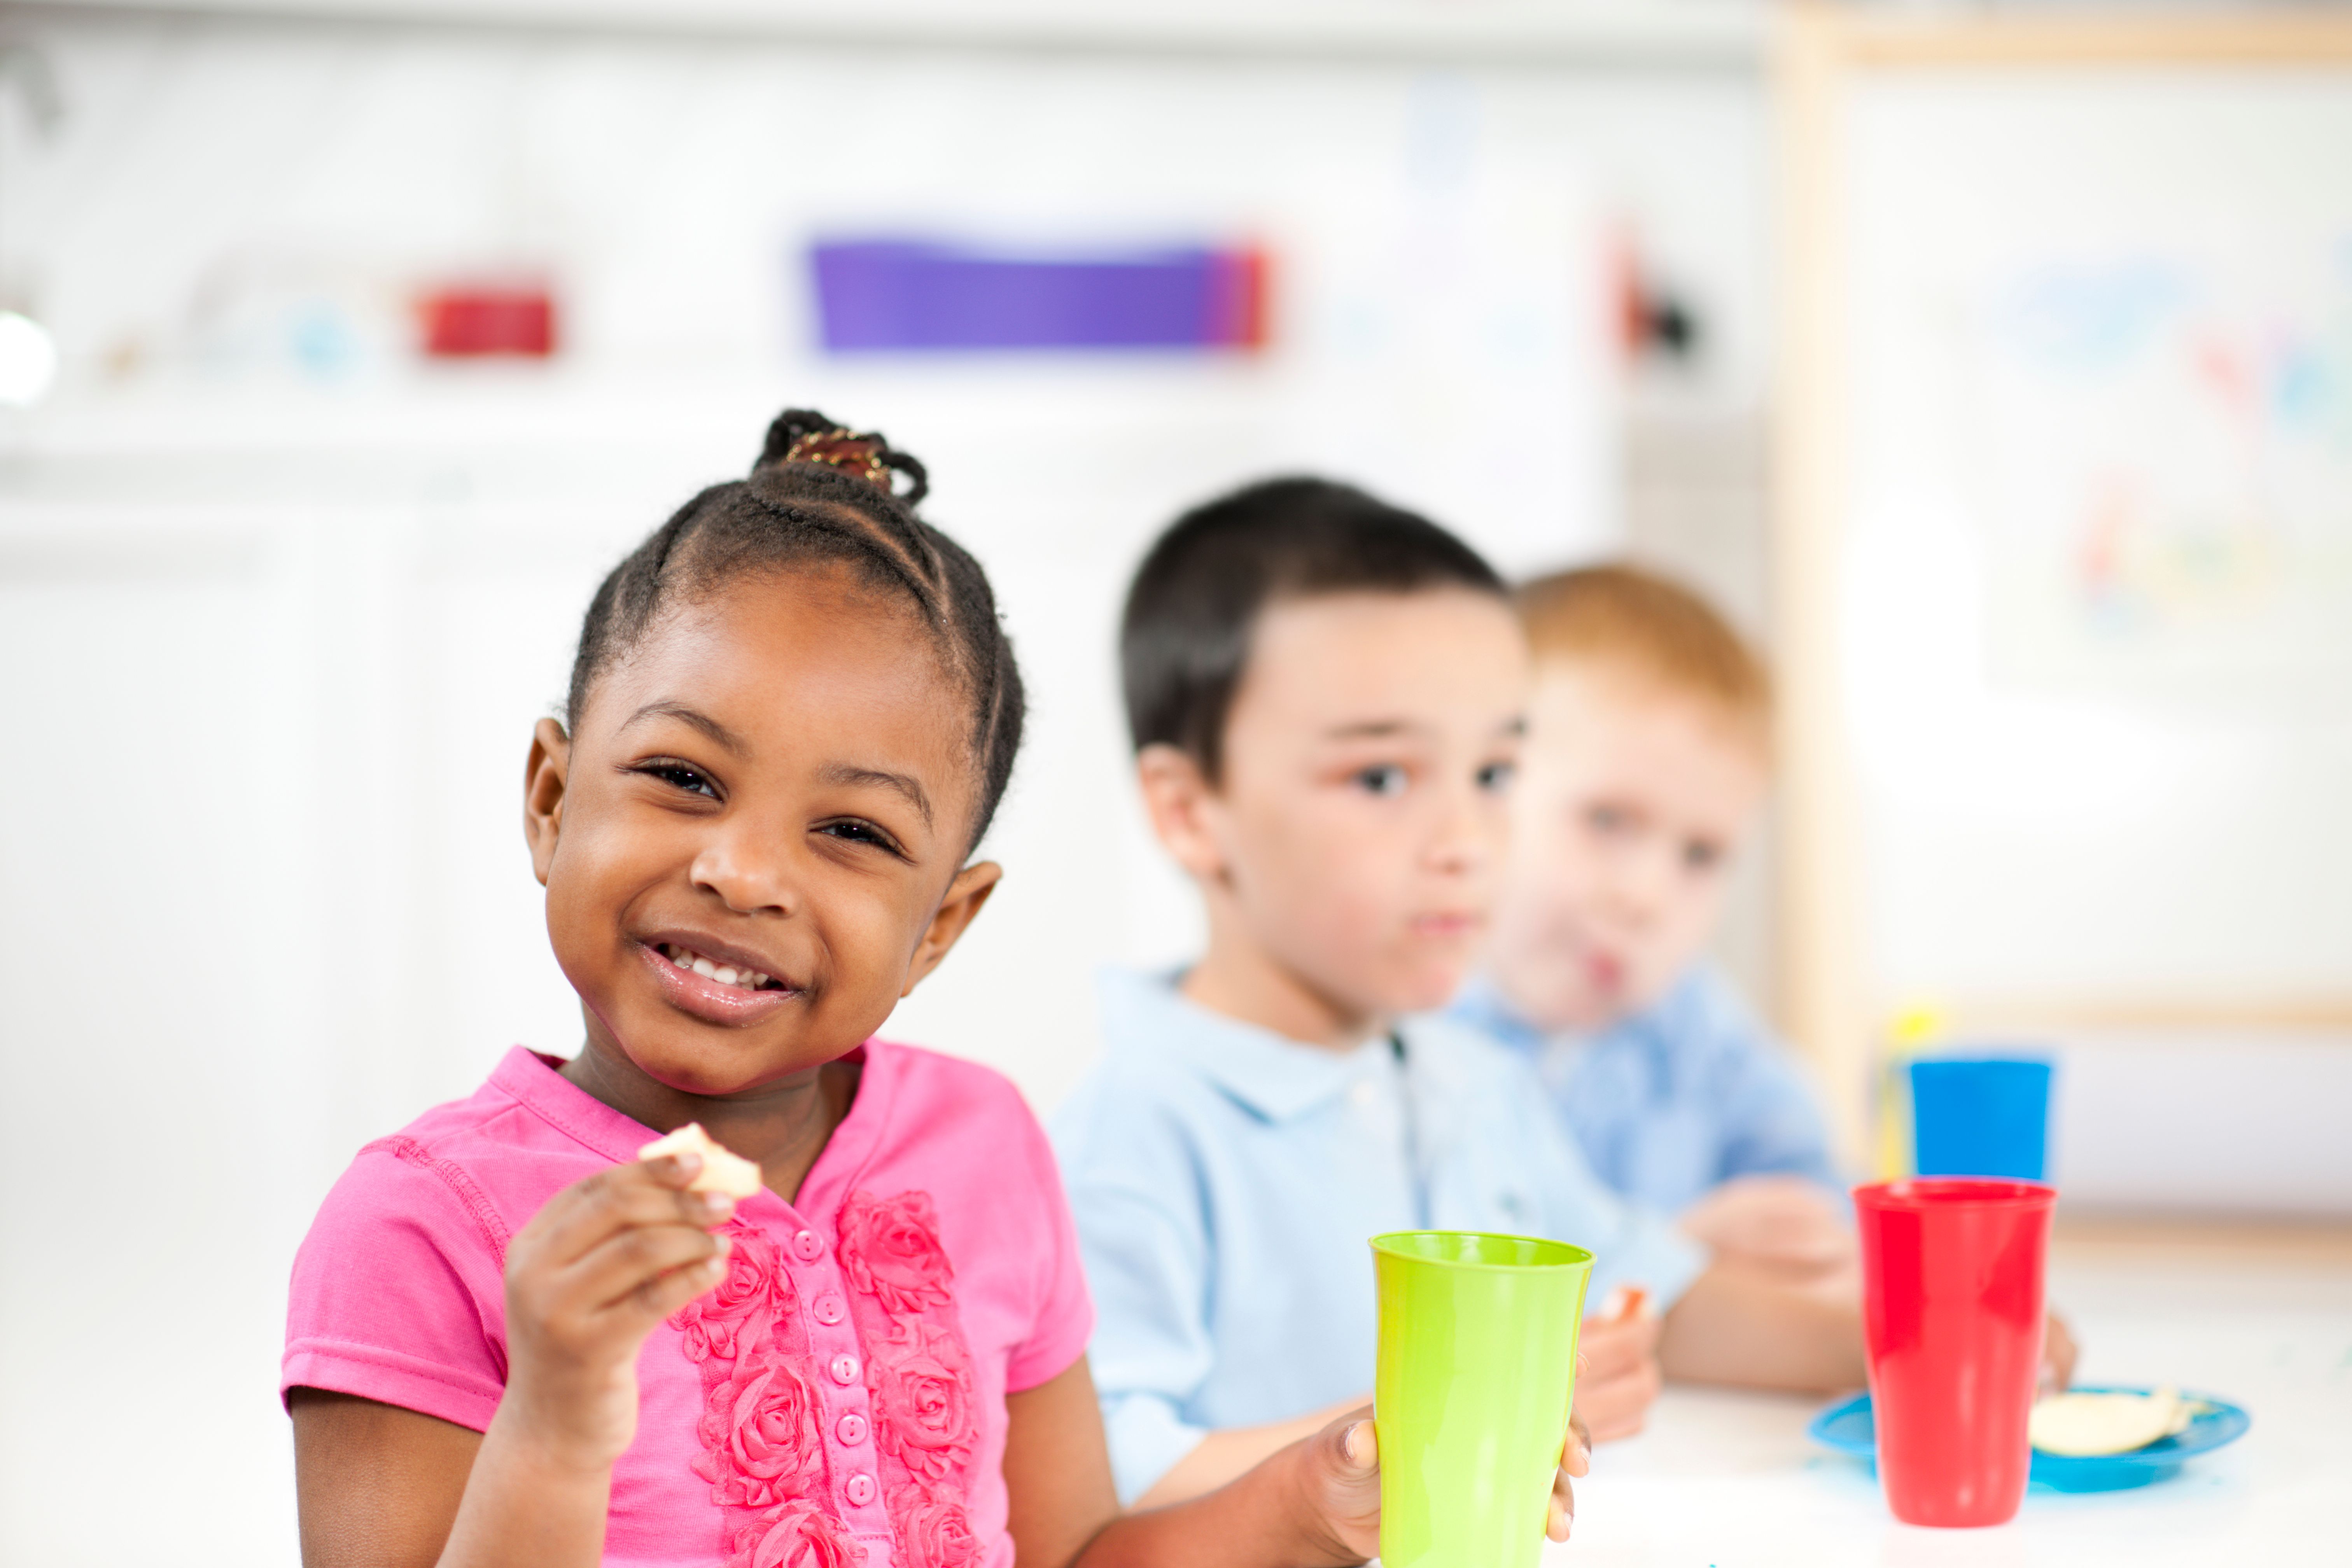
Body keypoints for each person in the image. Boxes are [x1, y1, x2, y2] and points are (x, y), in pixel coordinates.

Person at [281, 416, 1584, 1568]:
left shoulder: (984, 1147)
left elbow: (1076, 1554)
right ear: (553, 799)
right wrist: (556, 1426)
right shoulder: (416, 1226)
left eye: (850, 833)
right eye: (682, 776)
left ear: (939, 928)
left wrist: (1315, 1503)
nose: (740, 872)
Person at [1052, 480, 1870, 1515]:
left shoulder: (1476, 1088)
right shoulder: (1135, 1136)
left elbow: (1656, 1287)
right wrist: (1471, 1411)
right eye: (1385, 779)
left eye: (1493, 774)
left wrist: (1900, 1342)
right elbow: (1099, 1478)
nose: (1467, 843)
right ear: (1190, 812)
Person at [1448, 563, 1852, 1270]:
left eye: (1700, 856)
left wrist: (1800, 1242)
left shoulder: (1697, 1032)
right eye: (1607, 820)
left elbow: (1818, 1199)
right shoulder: (1407, 1035)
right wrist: (1666, 1263)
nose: (1647, 897)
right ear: (1485, 790)